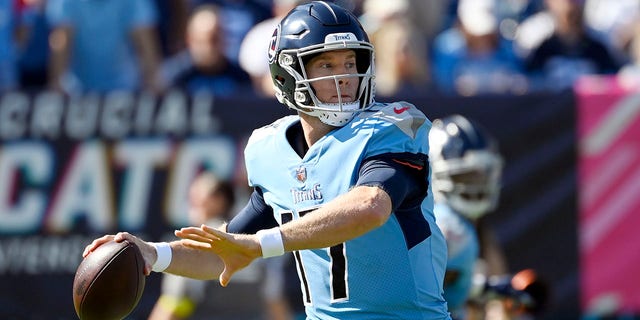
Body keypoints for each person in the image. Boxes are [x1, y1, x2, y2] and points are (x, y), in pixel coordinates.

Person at [83, 2, 451, 319]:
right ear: (287, 75)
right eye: (326, 66)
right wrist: (152, 254)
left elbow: (371, 206)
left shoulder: (392, 127)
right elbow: (226, 250)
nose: (344, 79)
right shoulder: (271, 149)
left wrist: (263, 244)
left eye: (351, 63)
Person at [148, 172, 267, 320]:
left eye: (198, 194)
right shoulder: (256, 239)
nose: (192, 199)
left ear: (219, 200)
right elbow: (273, 299)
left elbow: (174, 303)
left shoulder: (197, 242)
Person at [428, 114, 507, 319]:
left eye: (480, 175)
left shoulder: (477, 229)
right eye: (465, 175)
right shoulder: (444, 225)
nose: (475, 184)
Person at [46, 0, 163, 94]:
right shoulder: (66, 2)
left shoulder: (134, 2)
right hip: (76, 90)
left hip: (124, 88)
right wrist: (57, 83)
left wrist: (153, 79)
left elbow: (145, 44)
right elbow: (61, 41)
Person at [159, 4, 252, 96]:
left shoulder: (241, 77)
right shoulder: (173, 76)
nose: (210, 47)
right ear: (189, 40)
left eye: (216, 39)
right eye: (203, 41)